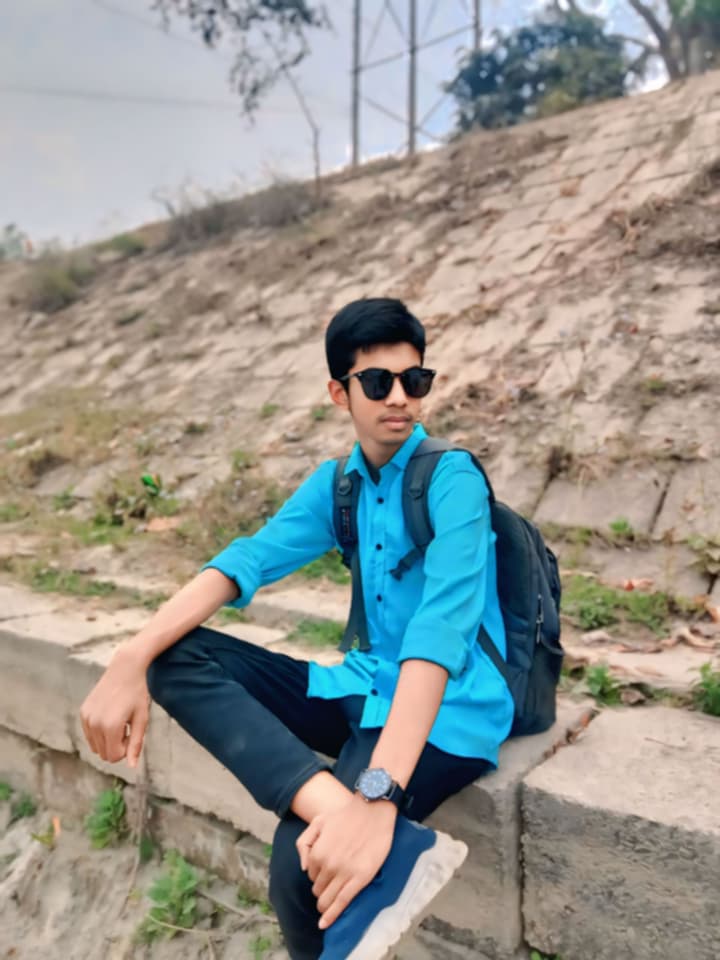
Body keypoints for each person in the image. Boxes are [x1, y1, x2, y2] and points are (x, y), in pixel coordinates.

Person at [80, 297, 514, 960]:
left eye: (415, 379)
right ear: (340, 393)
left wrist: (379, 794)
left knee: (295, 866)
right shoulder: (339, 486)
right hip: (366, 686)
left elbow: (439, 635)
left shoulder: (453, 481)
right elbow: (246, 560)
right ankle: (339, 812)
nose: (400, 397)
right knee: (175, 657)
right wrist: (131, 655)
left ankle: (357, 825)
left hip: (451, 709)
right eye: (379, 382)